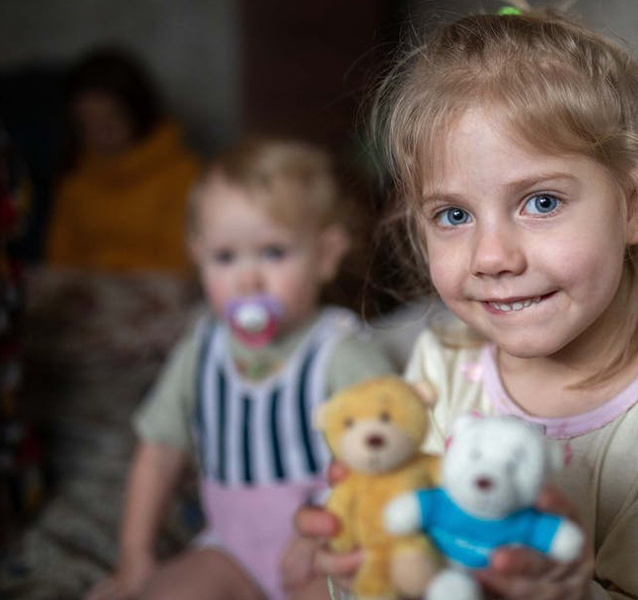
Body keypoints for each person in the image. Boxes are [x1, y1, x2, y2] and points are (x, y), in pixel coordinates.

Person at [291, 6, 638, 599]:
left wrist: (567, 593)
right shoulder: (440, 367)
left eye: (541, 203)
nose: (493, 257)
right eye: (454, 215)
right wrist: (351, 558)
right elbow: (404, 554)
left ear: (633, 201)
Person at [86, 139, 396, 600]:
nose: (247, 279)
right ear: (198, 256)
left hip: (321, 550)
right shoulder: (201, 349)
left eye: (273, 253)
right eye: (225, 257)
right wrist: (135, 556)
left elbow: (389, 459)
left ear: (326, 255)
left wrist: (333, 533)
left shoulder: (339, 351)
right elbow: (158, 453)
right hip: (229, 549)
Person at [47, 47, 200, 273]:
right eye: (86, 123)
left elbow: (183, 264)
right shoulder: (75, 174)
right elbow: (58, 260)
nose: (98, 134)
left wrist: (108, 267)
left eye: (109, 120)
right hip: (87, 297)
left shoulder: (182, 173)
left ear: (137, 112)